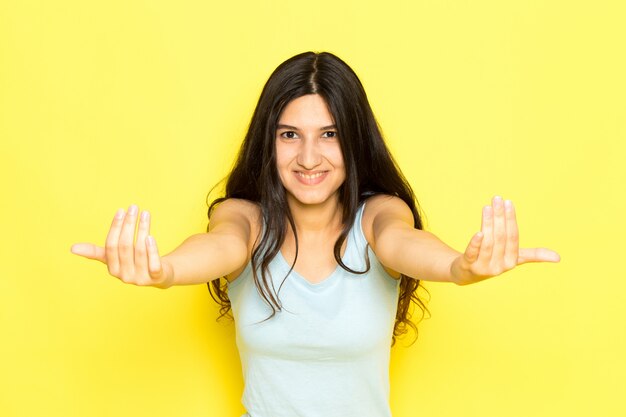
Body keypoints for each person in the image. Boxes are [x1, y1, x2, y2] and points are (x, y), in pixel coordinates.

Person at [71, 51, 560, 417]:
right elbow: (219, 246)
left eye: (329, 134)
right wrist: (164, 271)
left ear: (354, 139)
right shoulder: (246, 220)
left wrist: (461, 267)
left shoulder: (377, 217)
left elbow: (403, 243)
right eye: (290, 135)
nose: (309, 157)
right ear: (270, 141)